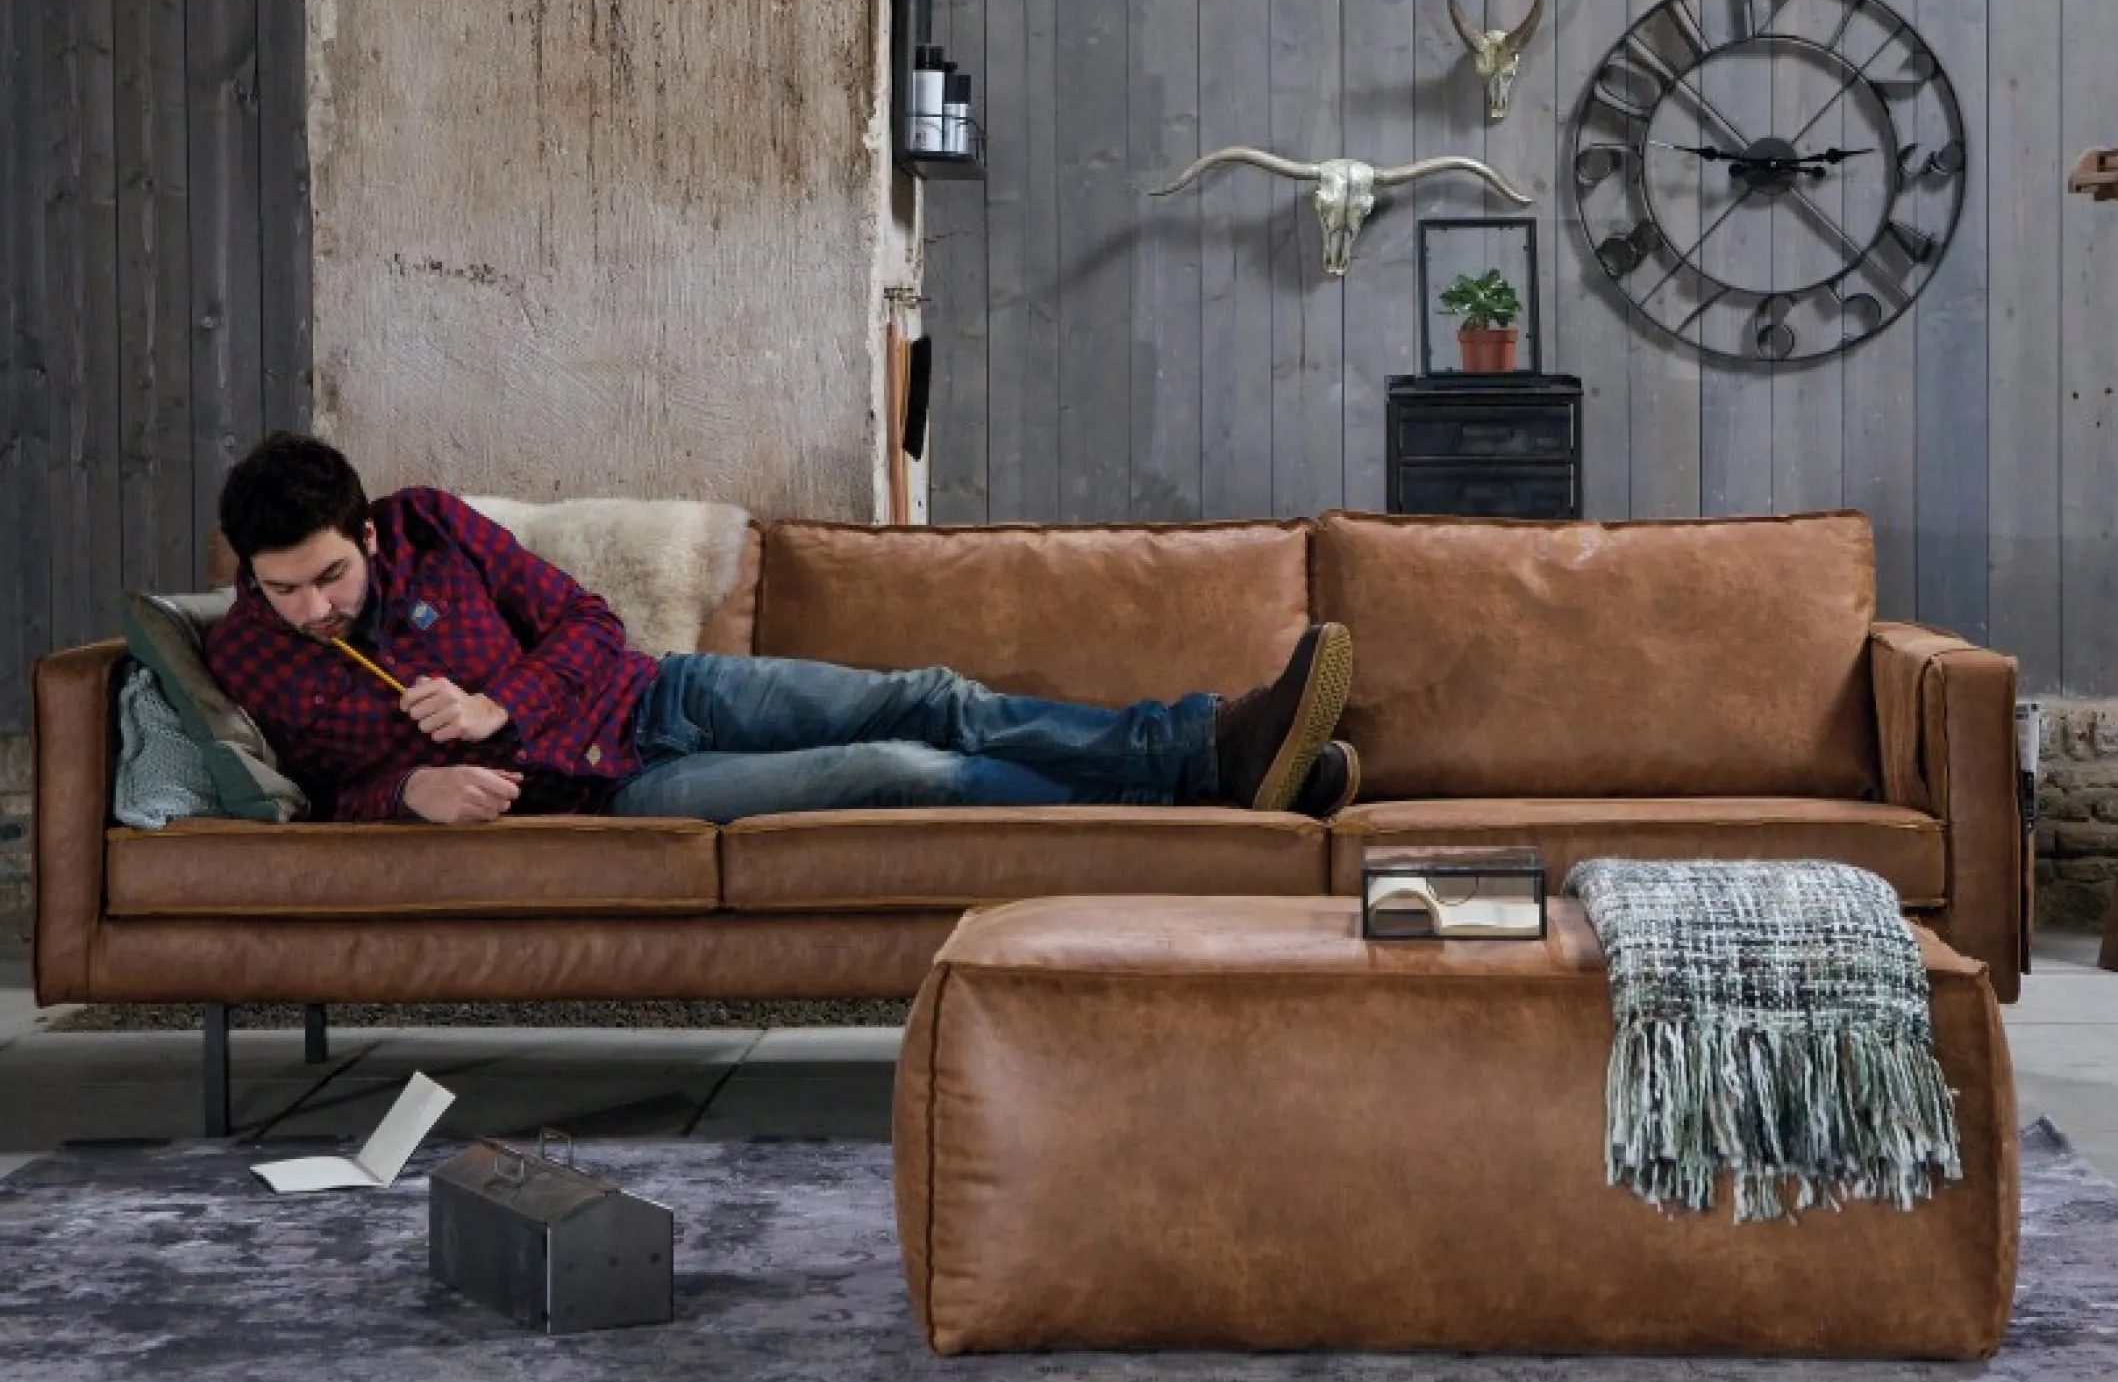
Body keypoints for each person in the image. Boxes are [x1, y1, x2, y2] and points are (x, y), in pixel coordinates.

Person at [203, 433, 1357, 825]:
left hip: (661, 693)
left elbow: (588, 623)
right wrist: (407, 791)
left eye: (330, 576)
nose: (313, 609)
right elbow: (308, 792)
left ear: (365, 529)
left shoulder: (429, 524)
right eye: (282, 589)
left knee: (932, 695)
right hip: (617, 790)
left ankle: (1203, 745)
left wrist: (500, 701)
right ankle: (1204, 796)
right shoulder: (250, 654)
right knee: (903, 767)